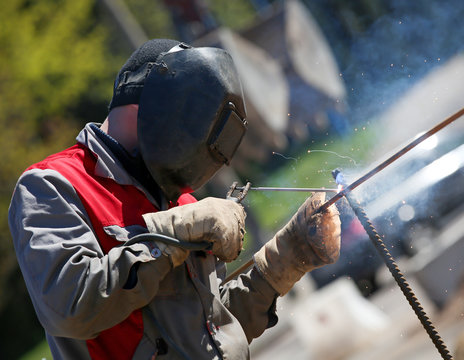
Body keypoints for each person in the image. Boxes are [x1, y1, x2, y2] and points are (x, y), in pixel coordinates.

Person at [8, 39, 341, 359]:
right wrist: (177, 234)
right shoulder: (53, 185)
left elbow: (214, 331)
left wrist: (287, 257)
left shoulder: (179, 201)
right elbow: (69, 308)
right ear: (155, 104)